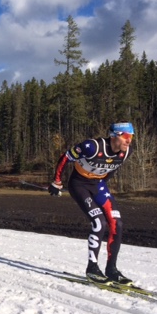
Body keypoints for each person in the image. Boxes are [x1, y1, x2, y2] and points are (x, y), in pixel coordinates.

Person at [48, 122, 134, 285]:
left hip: (98, 185)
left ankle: (112, 270)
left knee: (117, 223)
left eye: (131, 137)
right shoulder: (92, 147)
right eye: (125, 136)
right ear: (114, 136)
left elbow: (112, 167)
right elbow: (66, 157)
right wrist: (57, 181)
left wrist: (102, 183)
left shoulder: (127, 152)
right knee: (99, 222)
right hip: (79, 184)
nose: (129, 141)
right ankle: (92, 268)